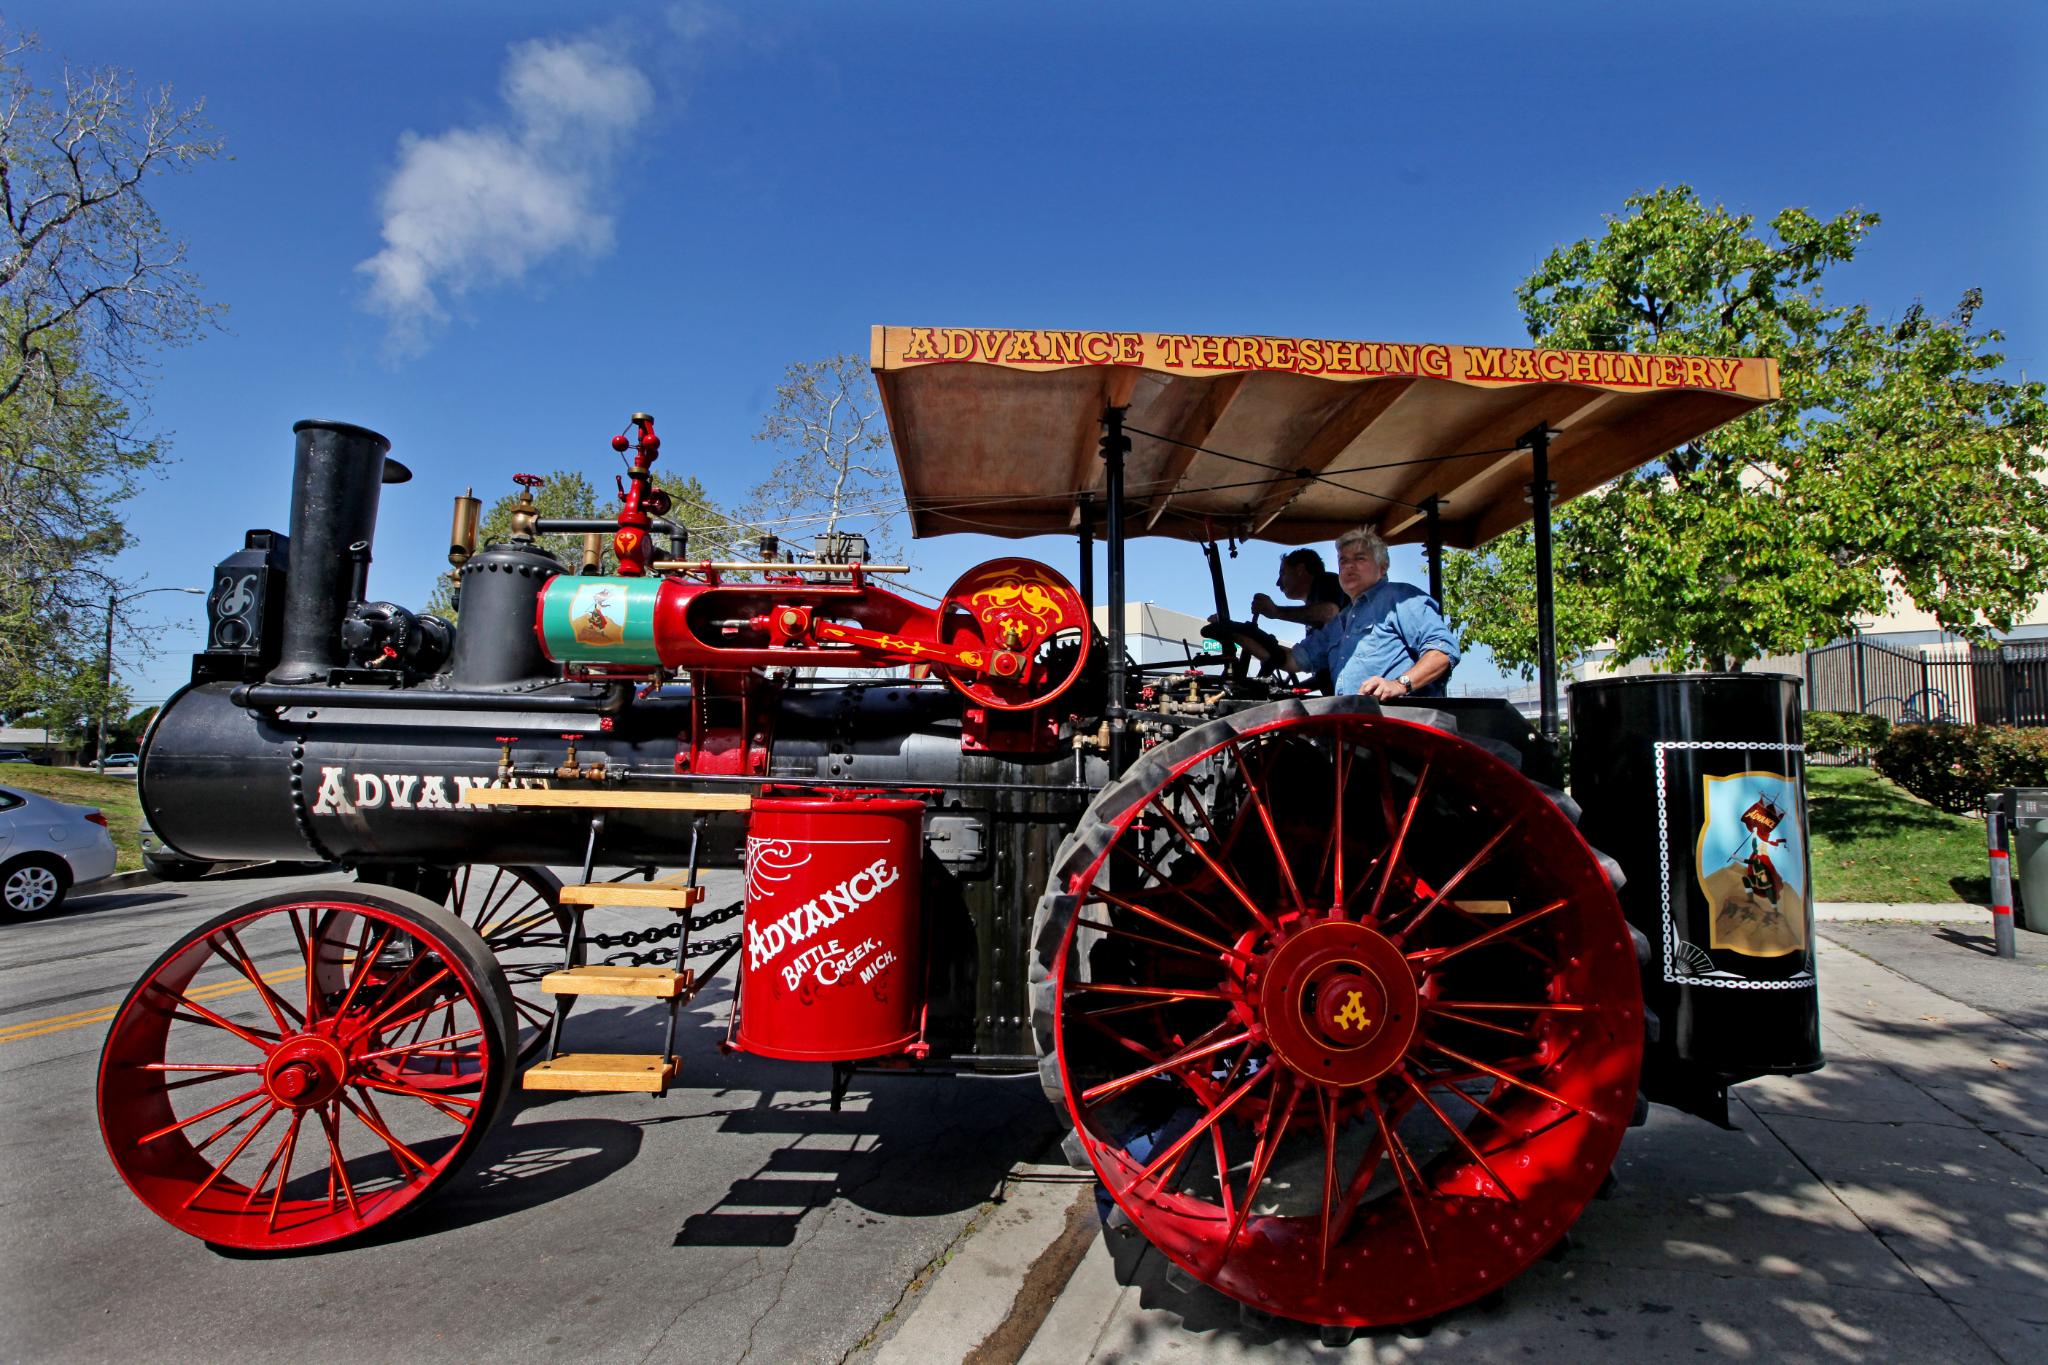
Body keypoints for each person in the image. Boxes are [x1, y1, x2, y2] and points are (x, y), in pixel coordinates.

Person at [1217, 527, 1459, 699]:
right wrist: (1238, 635)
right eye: (1343, 561)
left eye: (1359, 558)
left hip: (1398, 728)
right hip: (1354, 732)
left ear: (1383, 566)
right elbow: (1292, 660)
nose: (1348, 566)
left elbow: (1442, 651)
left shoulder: (1400, 598)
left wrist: (1399, 684)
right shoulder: (1342, 621)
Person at [1250, 548, 1347, 631]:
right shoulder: (1312, 610)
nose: (1278, 583)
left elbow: (1329, 613)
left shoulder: (1326, 579)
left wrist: (1276, 611)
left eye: (1282, 573)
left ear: (1300, 570)